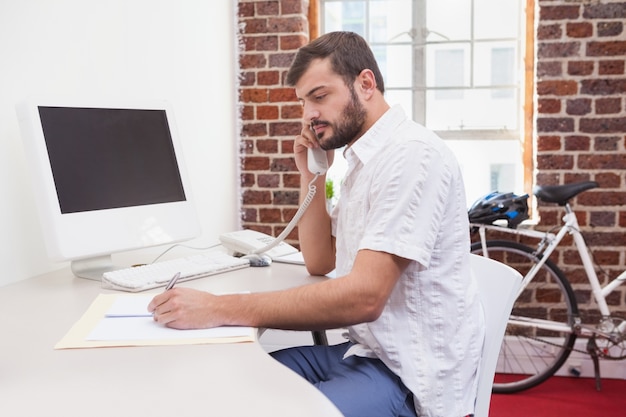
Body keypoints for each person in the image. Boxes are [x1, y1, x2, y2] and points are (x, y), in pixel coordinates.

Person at [149, 31, 484, 417]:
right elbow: (320, 261)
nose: (309, 114)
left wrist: (220, 307)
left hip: (408, 375)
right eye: (304, 102)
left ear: (365, 83)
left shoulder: (410, 157)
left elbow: (365, 297)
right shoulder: (364, 162)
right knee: (224, 381)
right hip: (364, 353)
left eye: (320, 96)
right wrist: (312, 174)